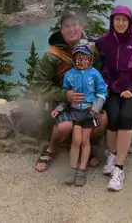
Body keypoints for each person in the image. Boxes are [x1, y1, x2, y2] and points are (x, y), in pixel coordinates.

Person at [31, 10, 107, 172]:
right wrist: (65, 95)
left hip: (87, 103)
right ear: (61, 29)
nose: (71, 29)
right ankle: (51, 148)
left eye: (75, 25)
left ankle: (82, 146)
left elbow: (102, 75)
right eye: (67, 26)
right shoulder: (52, 55)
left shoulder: (92, 50)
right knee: (65, 126)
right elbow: (38, 84)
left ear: (81, 27)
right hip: (61, 102)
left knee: (102, 121)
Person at [95, 5, 132, 192]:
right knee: (113, 117)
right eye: (117, 19)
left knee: (126, 117)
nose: (120, 23)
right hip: (113, 90)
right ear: (112, 21)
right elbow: (96, 62)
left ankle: (119, 169)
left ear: (130, 22)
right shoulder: (103, 41)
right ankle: (111, 155)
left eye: (124, 20)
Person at [51, 43, 108, 186]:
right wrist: (59, 108)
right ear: (74, 59)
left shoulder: (95, 74)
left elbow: (101, 93)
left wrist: (95, 109)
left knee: (84, 141)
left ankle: (82, 170)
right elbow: (67, 95)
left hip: (89, 113)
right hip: (76, 112)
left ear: (90, 59)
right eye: (79, 58)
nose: (82, 61)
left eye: (85, 58)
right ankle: (72, 169)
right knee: (76, 141)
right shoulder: (69, 75)